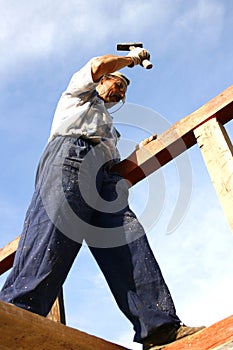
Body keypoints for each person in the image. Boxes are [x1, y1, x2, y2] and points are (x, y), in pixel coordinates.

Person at [0, 47, 204, 349]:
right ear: (101, 81)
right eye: (116, 83)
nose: (119, 91)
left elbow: (114, 165)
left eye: (123, 89)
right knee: (54, 235)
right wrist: (132, 59)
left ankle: (157, 327)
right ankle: (14, 318)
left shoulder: (111, 132)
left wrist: (139, 153)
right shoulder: (77, 95)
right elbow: (97, 64)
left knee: (127, 240)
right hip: (71, 157)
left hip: (105, 178)